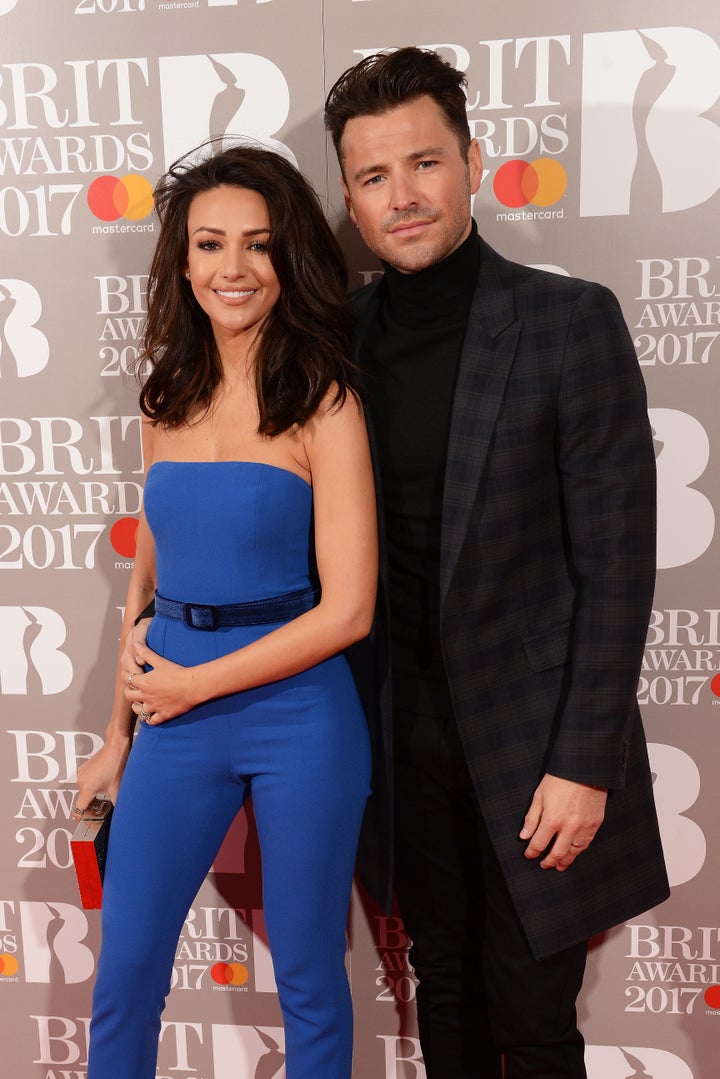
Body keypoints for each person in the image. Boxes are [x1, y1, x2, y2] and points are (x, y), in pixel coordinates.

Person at [321, 47, 670, 1078]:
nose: (403, 196)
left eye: (424, 163)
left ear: (473, 163)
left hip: (535, 749)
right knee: (448, 991)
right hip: (397, 738)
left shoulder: (567, 322)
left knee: (534, 1014)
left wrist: (583, 761)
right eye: (375, 177)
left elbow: (617, 563)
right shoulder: (336, 340)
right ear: (349, 196)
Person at [73, 142, 377, 1079]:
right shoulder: (164, 392)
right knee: (124, 969)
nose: (233, 268)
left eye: (258, 244)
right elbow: (148, 582)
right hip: (171, 705)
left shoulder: (324, 398)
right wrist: (116, 733)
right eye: (211, 244)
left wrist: (197, 682)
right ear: (183, 261)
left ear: (288, 258)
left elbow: (351, 610)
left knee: (310, 978)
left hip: (299, 711)